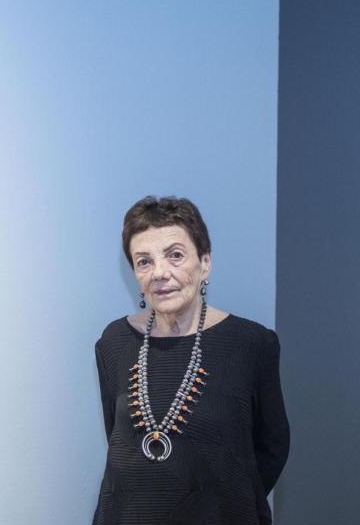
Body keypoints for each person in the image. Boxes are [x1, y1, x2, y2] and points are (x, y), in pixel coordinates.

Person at [93, 196, 289, 525]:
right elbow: (118, 435)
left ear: (205, 262)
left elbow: (273, 446)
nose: (159, 272)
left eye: (175, 255)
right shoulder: (114, 342)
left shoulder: (252, 344)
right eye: (144, 261)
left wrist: (223, 499)